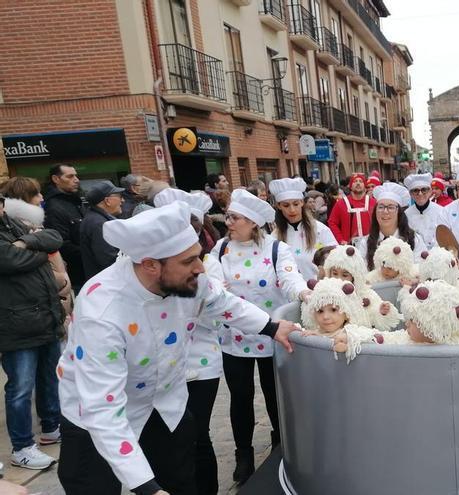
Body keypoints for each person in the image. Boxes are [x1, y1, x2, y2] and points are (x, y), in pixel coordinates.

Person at [57, 202, 300, 495]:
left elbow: (223, 303)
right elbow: (103, 409)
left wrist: (272, 328)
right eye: (188, 262)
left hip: (165, 402)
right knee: (92, 486)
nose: (200, 268)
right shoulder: (102, 311)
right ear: (150, 265)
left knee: (182, 479)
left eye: (198, 257)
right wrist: (147, 488)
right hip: (96, 417)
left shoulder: (191, 279)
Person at [210, 189, 308, 484]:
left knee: (274, 395)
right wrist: (216, 285)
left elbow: (290, 278)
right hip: (234, 337)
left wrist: (304, 293)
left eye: (235, 218)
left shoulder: (276, 249)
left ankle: (280, 447)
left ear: (253, 222)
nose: (229, 222)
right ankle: (243, 454)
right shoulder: (219, 249)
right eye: (228, 216)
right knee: (240, 397)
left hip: (272, 335)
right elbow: (212, 281)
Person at [151, 188, 222, 494]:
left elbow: (221, 306)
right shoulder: (150, 265)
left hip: (201, 361)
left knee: (197, 433)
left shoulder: (208, 264)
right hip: (161, 368)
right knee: (168, 438)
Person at [0, 193, 65, 471]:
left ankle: (52, 427)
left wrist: (26, 242)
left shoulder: (14, 224)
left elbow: (54, 237)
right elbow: (9, 260)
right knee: (20, 388)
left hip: (45, 317)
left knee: (51, 377)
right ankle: (22, 447)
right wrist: (38, 252)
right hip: (16, 324)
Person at [338, 280, 459, 360]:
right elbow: (379, 337)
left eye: (412, 321)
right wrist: (352, 337)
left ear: (432, 324)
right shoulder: (405, 338)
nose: (406, 324)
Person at [1, 178, 73, 317]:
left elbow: (55, 238)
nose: (41, 198)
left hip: (50, 307)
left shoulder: (32, 225)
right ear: (23, 198)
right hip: (40, 309)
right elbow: (16, 261)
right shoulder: (19, 227)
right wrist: (62, 281)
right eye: (36, 194)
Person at [270, 178, 338, 281]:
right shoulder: (274, 237)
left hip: (319, 290)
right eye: (286, 205)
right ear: (279, 206)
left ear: (302, 202)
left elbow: (337, 259)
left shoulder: (320, 230)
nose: (292, 210)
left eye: (296, 204)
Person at [323, 245, 402, 331]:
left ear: (354, 276)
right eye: (334, 273)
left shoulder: (365, 294)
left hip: (361, 340)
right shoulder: (324, 294)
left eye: (345, 275)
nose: (339, 279)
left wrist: (382, 312)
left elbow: (376, 315)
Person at [356, 182, 426, 264]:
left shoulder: (414, 240)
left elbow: (421, 268)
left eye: (391, 207)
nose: (385, 211)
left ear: (399, 212)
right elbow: (362, 271)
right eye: (381, 207)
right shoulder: (366, 242)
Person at [43, 163, 86, 291]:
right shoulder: (54, 207)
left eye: (76, 176)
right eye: (70, 176)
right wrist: (90, 252)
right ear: (56, 179)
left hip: (85, 273)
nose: (76, 180)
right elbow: (61, 244)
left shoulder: (74, 201)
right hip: (75, 277)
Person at [80, 180, 126, 280]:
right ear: (107, 201)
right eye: (119, 196)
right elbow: (110, 260)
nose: (122, 201)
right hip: (109, 283)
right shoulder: (99, 224)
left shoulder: (96, 219)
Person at [327, 173, 374, 244]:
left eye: (361, 181)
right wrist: (340, 239)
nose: (358, 183)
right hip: (348, 247)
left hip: (370, 244)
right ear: (350, 186)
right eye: (355, 181)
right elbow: (332, 222)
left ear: (364, 186)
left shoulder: (373, 203)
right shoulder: (341, 203)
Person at [404, 173, 444, 250]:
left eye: (424, 190)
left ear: (430, 191)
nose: (420, 194)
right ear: (411, 194)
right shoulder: (406, 214)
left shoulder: (441, 211)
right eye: (415, 190)